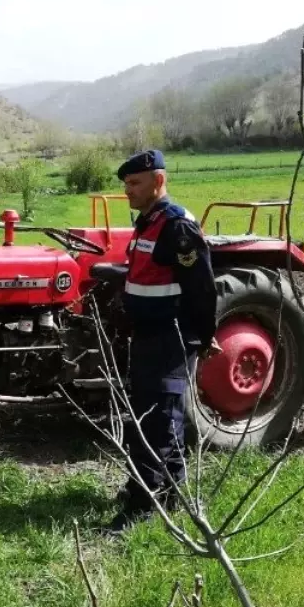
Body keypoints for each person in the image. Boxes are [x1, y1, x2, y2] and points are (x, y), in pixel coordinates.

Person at [105, 148, 219, 534]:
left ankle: (144, 500)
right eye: (125, 185)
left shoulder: (176, 225)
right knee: (152, 412)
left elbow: (201, 287)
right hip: (149, 333)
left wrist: (205, 336)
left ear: (158, 181)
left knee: (158, 418)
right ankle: (173, 490)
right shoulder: (147, 222)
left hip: (170, 333)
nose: (128, 191)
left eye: (135, 183)